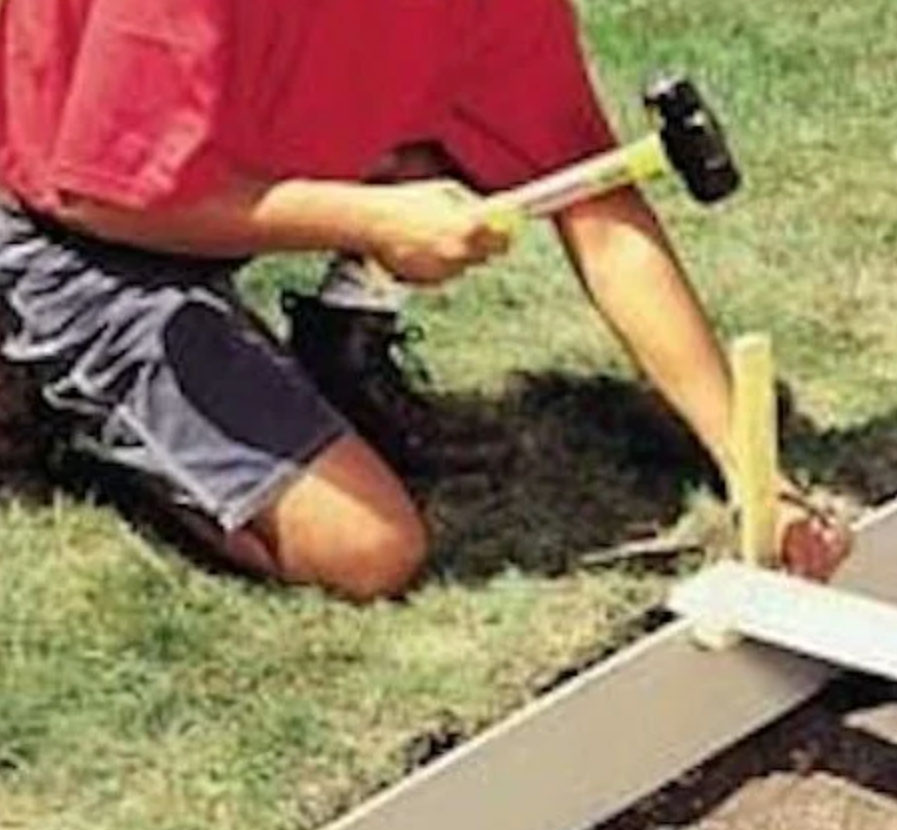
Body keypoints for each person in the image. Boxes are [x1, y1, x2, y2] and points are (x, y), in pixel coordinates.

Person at [0, 0, 850, 600]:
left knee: (439, 158)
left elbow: (595, 207)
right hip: (60, 224)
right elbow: (98, 199)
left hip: (184, 179)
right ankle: (57, 406)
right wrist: (370, 219)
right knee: (367, 549)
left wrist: (751, 470)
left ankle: (338, 350)